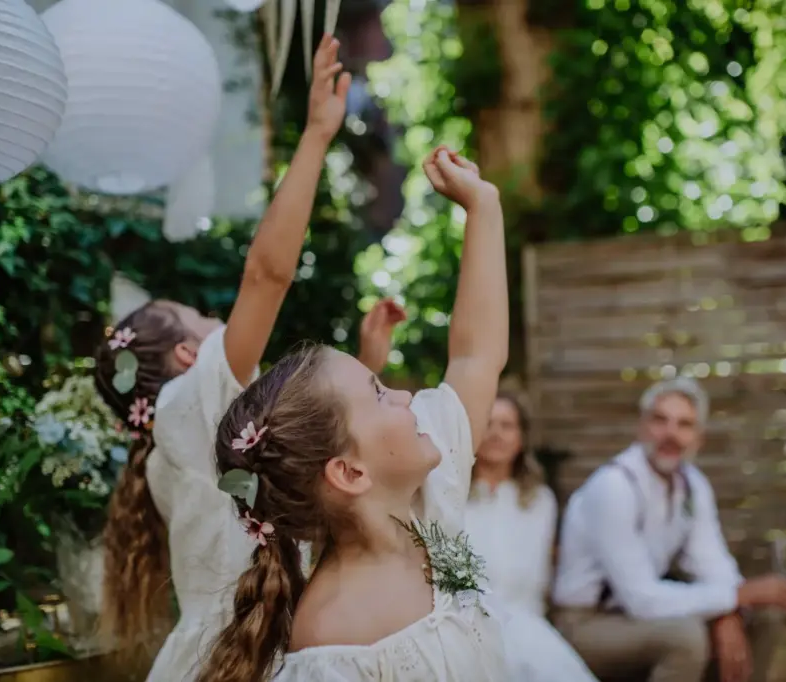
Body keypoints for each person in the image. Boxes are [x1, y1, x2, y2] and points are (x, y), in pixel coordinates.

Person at [92, 35, 403, 681]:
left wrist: (368, 362)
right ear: (188, 353)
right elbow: (266, 275)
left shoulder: (189, 434)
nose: (220, 322)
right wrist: (315, 135)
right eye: (200, 316)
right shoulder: (188, 402)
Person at [196, 145, 509, 682]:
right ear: (349, 472)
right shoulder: (331, 643)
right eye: (380, 394)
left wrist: (484, 206)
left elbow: (476, 355)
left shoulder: (428, 502)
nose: (407, 398)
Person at [551, 377, 786, 682]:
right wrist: (735, 596)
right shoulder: (614, 487)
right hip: (586, 624)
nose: (671, 434)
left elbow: (712, 563)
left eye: (684, 425)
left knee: (764, 618)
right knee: (686, 638)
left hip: (640, 615)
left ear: (699, 438)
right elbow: (641, 598)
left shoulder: (693, 485)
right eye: (660, 420)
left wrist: (729, 612)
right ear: (641, 427)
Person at [466, 394, 597, 682]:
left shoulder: (540, 500)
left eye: (507, 425)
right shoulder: (452, 495)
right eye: (488, 424)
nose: (496, 434)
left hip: (525, 620)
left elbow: (536, 578)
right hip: (465, 621)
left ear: (521, 437)